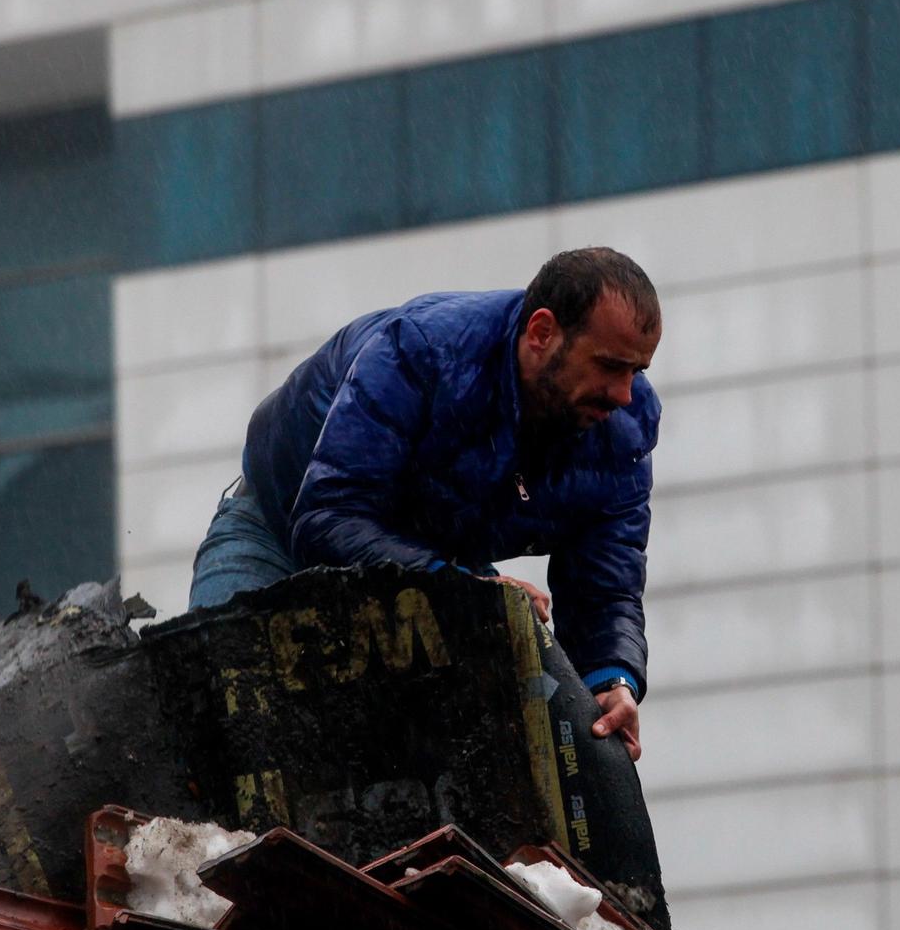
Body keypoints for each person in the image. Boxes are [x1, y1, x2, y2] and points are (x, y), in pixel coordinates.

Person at [188, 247, 662, 761]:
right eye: (610, 367)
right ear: (542, 332)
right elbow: (328, 517)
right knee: (214, 721)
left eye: (636, 371)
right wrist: (462, 593)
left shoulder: (625, 428)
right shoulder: (422, 349)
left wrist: (610, 680)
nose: (624, 394)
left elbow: (605, 585)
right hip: (279, 534)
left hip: (440, 568)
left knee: (485, 763)